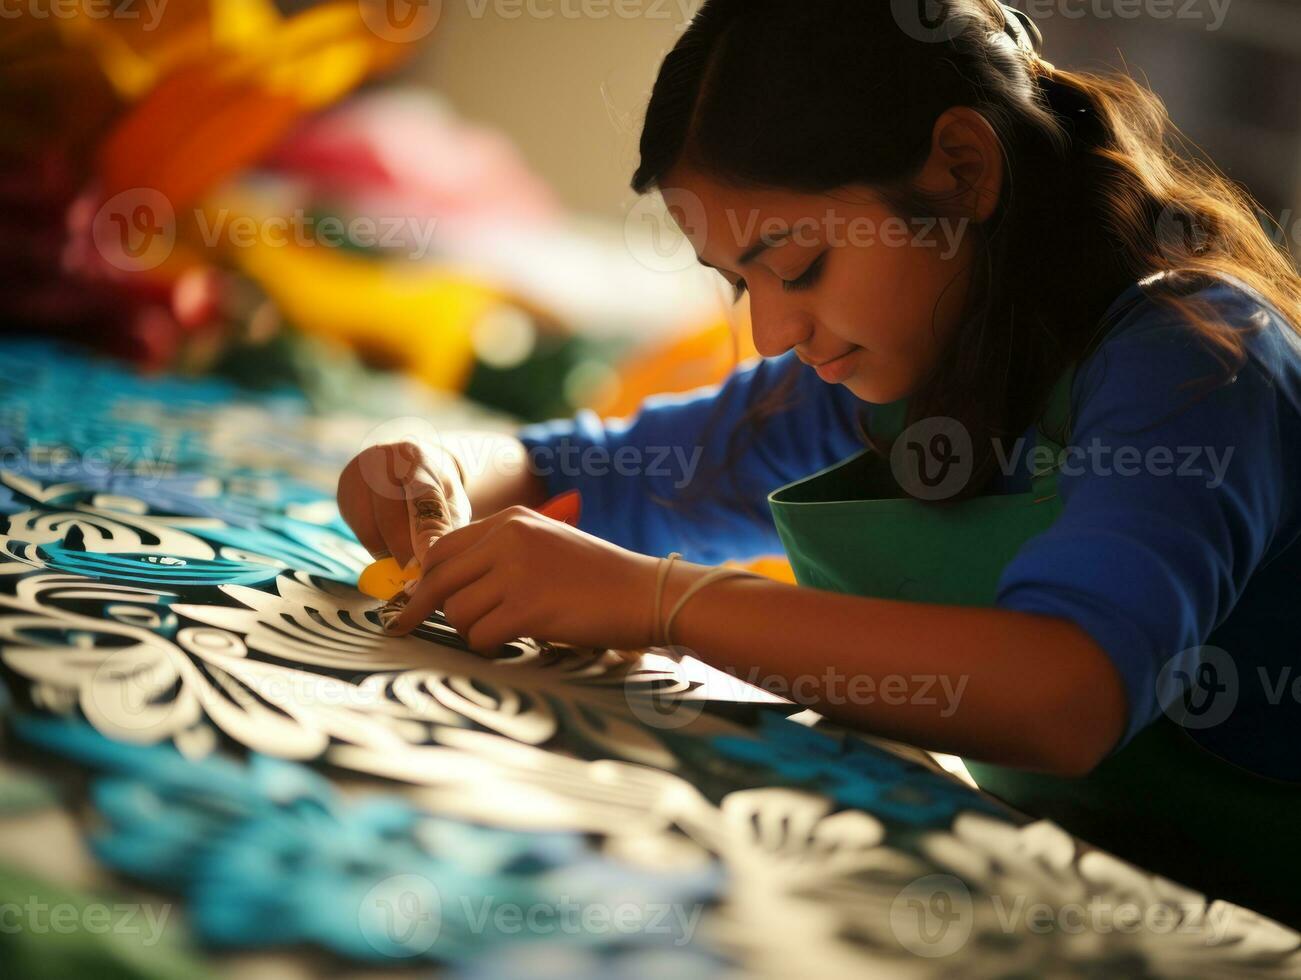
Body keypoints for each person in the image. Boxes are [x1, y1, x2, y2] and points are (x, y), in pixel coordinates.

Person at [337, 0, 1301, 925]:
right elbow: (593, 469)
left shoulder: (1199, 361)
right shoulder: (889, 375)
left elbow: (1067, 692)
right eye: (738, 283)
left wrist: (663, 603)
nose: (769, 331)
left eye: (796, 265)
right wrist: (437, 470)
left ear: (962, 171)